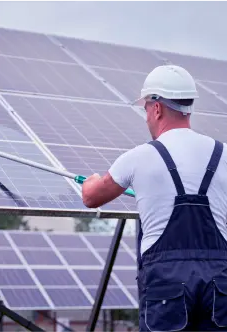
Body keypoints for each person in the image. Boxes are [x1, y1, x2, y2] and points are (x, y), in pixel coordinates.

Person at [82, 64, 227, 331]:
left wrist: (92, 181)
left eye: (146, 109)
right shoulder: (224, 154)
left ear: (157, 107)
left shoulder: (139, 157)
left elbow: (91, 197)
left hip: (166, 284)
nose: (146, 117)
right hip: (220, 280)